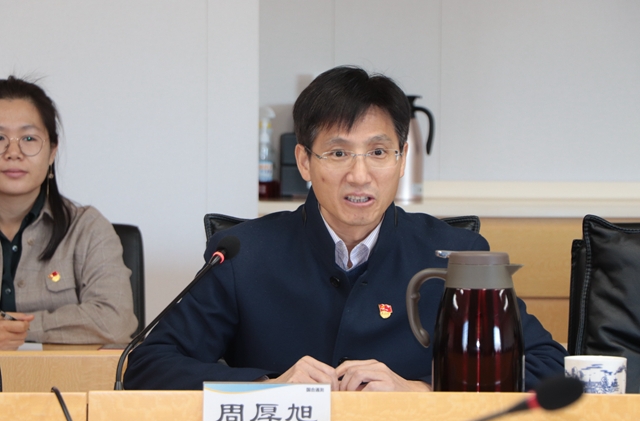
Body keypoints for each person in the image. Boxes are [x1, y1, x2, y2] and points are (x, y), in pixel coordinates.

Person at [124, 66, 566, 391]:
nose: (360, 175)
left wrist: (422, 391)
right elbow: (148, 366)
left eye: (378, 152)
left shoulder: (455, 253)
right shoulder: (244, 254)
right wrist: (268, 386)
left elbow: (547, 364)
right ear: (304, 162)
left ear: (401, 159)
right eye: (338, 154)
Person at [0, 76, 137, 349]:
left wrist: (18, 328)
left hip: (61, 377)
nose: (13, 152)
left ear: (52, 151)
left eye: (29, 138)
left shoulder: (87, 228)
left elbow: (116, 322)